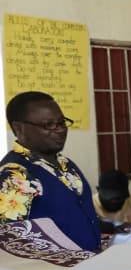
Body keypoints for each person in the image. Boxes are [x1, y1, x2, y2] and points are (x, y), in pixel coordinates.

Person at [0, 91, 104, 251]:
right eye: (48, 125)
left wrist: (112, 226)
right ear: (18, 128)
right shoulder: (15, 174)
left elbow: (74, 215)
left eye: (61, 122)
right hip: (52, 267)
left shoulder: (66, 164)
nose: (60, 130)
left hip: (89, 262)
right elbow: (10, 240)